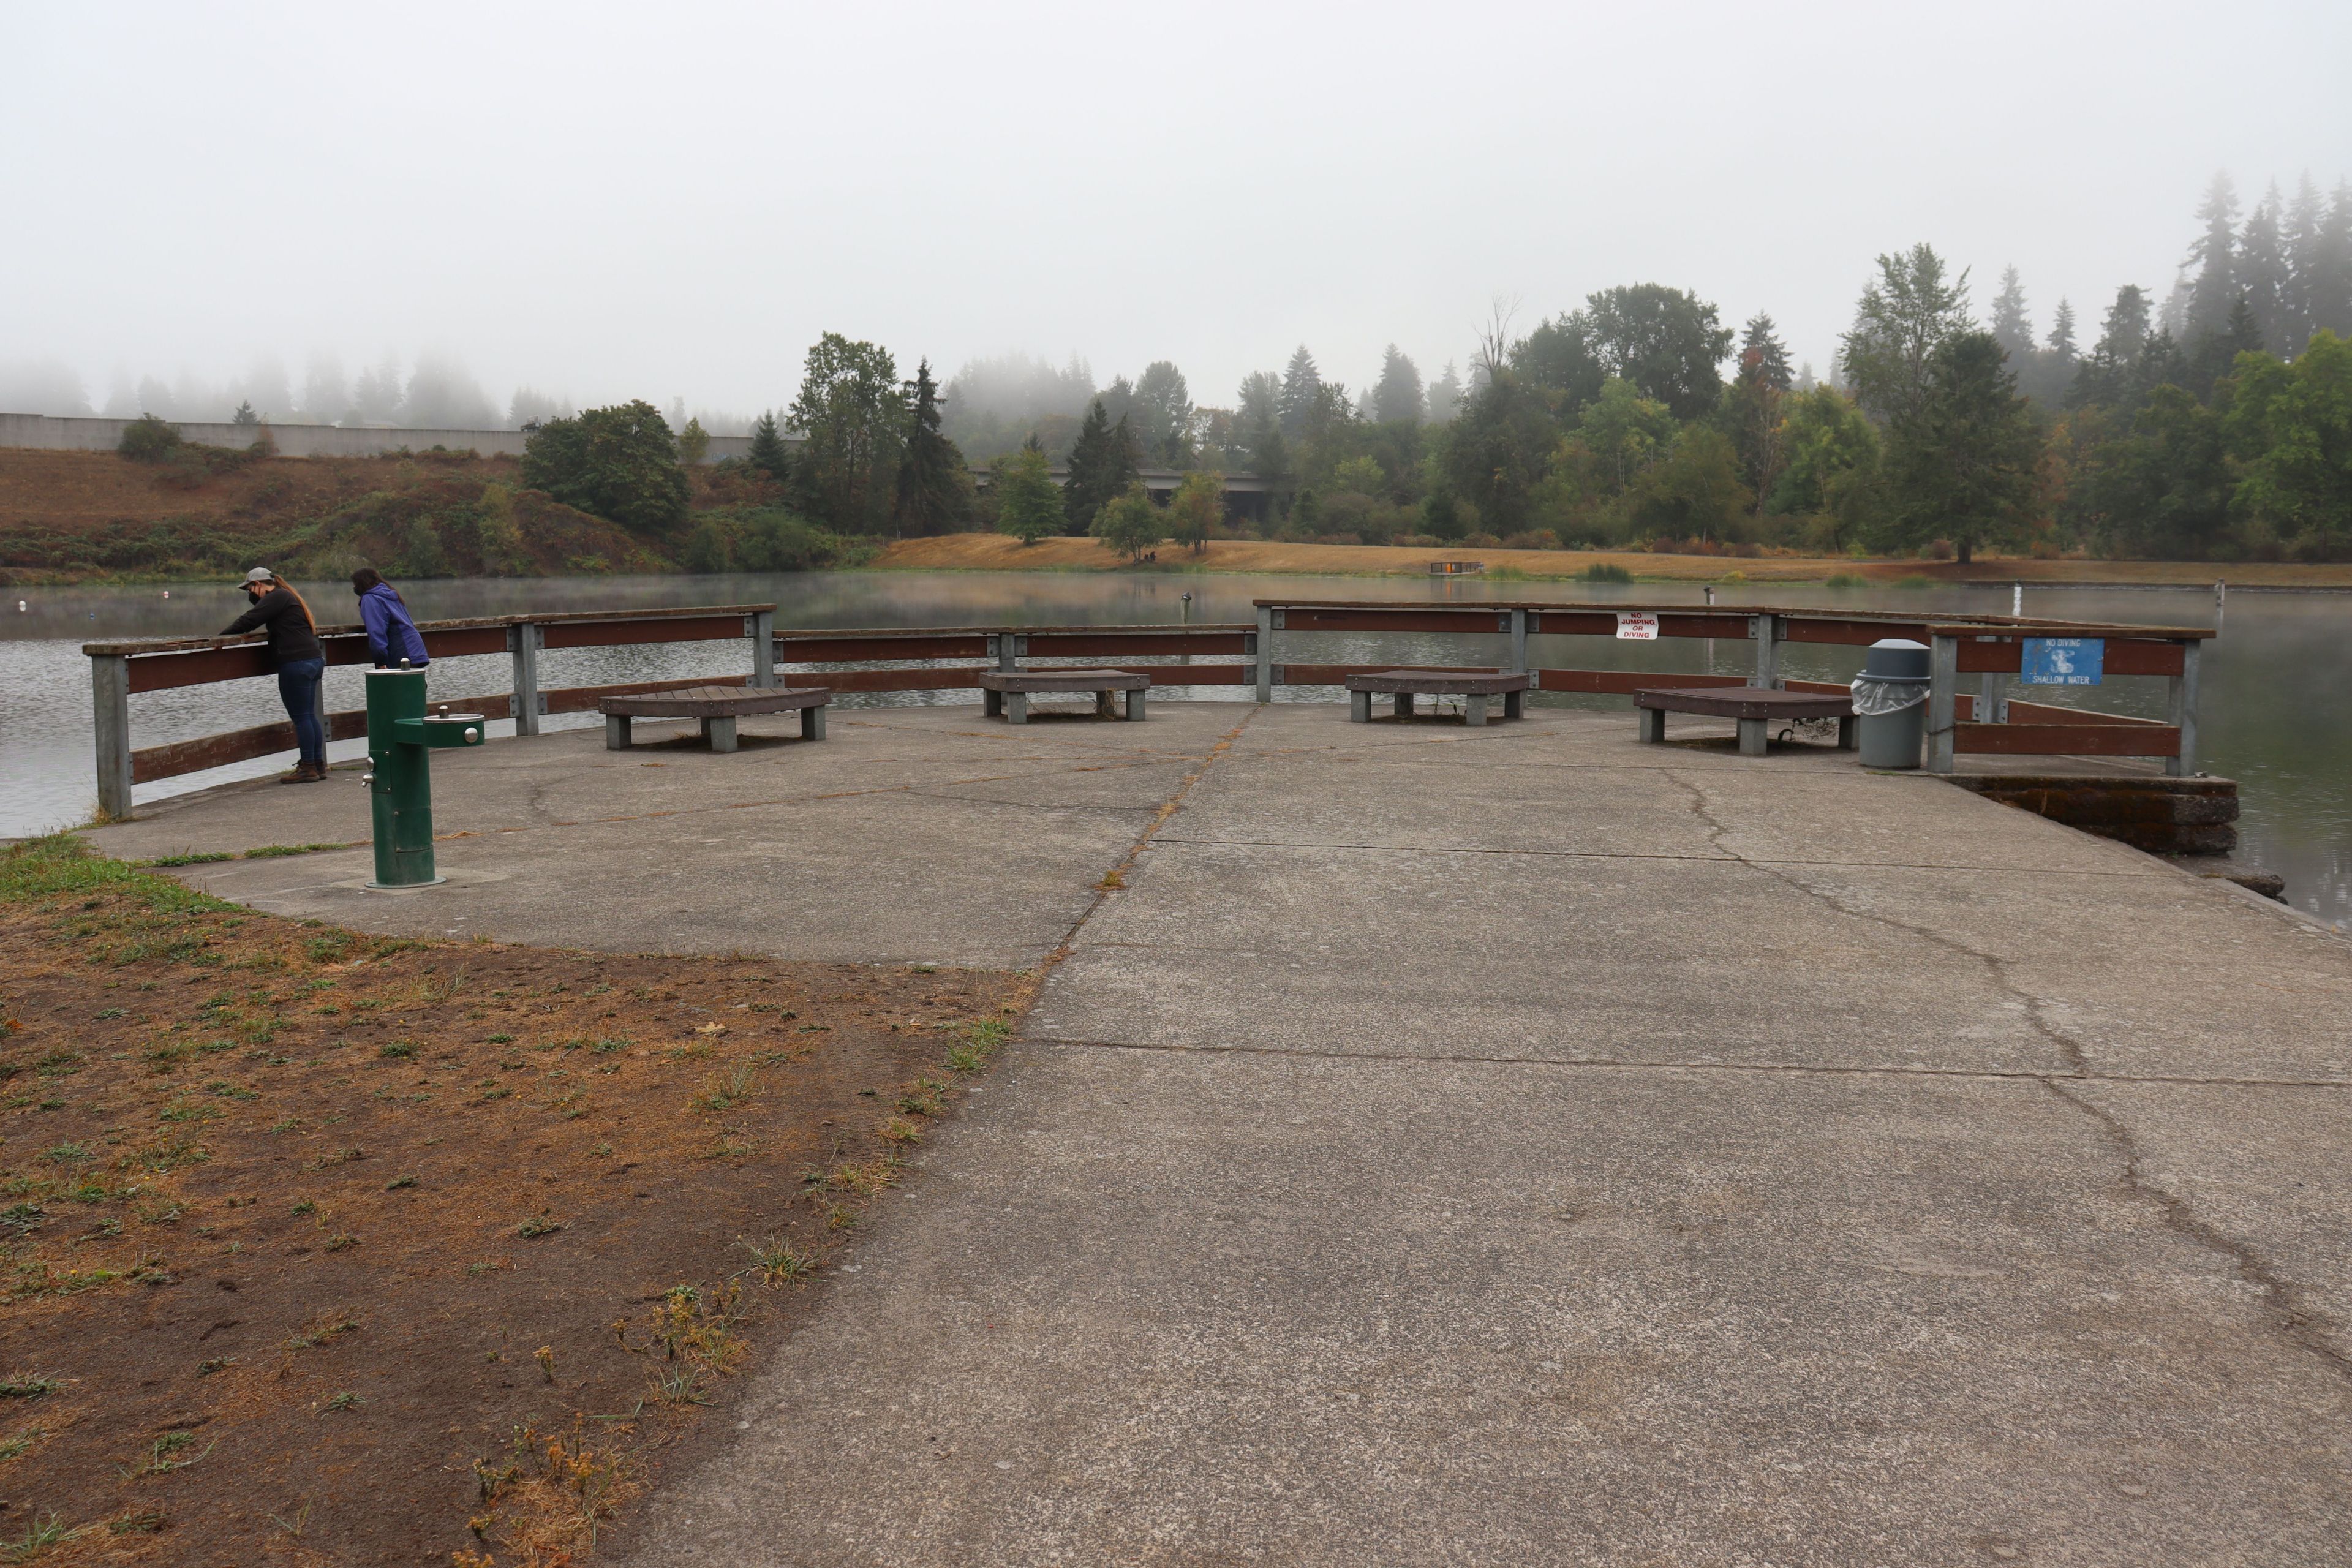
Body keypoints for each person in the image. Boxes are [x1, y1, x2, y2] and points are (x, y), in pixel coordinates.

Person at [220, 567, 326, 783]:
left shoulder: (277, 597)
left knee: (302, 718)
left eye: (250, 589)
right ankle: (317, 765)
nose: (250, 594)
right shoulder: (286, 596)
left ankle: (308, 767)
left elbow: (249, 621)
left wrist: (219, 639)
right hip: (312, 660)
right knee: (309, 716)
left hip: (296, 663)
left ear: (258, 585)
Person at [352, 567, 429, 668]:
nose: (354, 587)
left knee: (397, 684)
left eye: (355, 583)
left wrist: (381, 661)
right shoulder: (390, 593)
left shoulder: (370, 599)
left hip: (401, 651)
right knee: (411, 683)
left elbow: (376, 631)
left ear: (362, 583)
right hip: (414, 647)